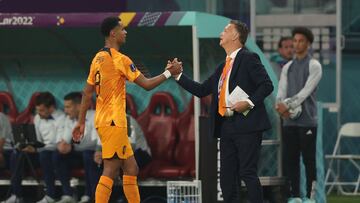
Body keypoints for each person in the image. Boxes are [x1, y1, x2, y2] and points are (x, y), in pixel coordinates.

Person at [72, 16, 181, 203]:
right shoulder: (120, 59)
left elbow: (87, 92)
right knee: (110, 169)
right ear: (113, 33)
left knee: (131, 169)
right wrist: (169, 72)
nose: (125, 32)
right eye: (122, 29)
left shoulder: (97, 58)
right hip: (114, 121)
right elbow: (146, 84)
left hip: (104, 121)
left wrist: (81, 122)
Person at [172, 20, 273, 203]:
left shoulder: (248, 58)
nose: (221, 33)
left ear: (235, 36)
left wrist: (248, 103)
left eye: (226, 30)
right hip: (226, 127)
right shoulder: (223, 66)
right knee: (226, 177)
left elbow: (266, 85)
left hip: (247, 125)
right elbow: (202, 90)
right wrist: (178, 75)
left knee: (247, 172)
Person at [275, 27, 322, 203]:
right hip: (289, 123)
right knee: (291, 161)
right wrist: (279, 104)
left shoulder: (314, 65)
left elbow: (305, 92)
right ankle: (295, 197)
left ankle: (311, 197)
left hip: (308, 122)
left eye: (301, 41)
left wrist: (287, 106)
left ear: (308, 44)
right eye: (295, 41)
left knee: (309, 160)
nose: (297, 44)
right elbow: (281, 90)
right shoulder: (287, 67)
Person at [55, 92, 101, 203]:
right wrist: (63, 146)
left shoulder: (95, 116)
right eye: (65, 107)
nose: (65, 110)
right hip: (79, 153)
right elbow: (65, 140)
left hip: (96, 153)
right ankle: (68, 194)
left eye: (68, 107)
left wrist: (99, 150)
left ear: (80, 106)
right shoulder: (69, 119)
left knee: (87, 154)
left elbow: (100, 139)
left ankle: (89, 195)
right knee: (57, 156)